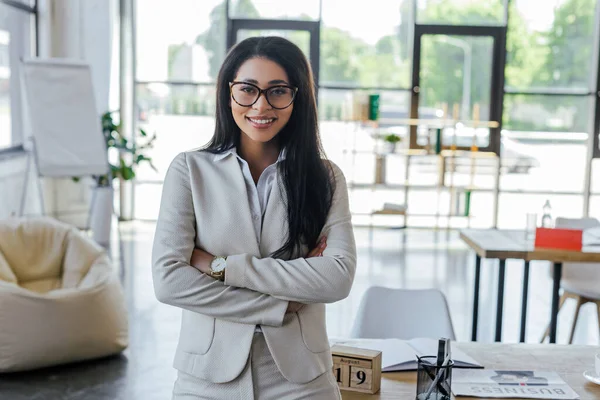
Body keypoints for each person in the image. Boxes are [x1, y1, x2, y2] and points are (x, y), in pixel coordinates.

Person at [152, 36, 357, 400]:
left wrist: (221, 267)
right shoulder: (189, 170)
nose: (261, 105)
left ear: (298, 96)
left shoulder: (326, 178)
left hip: (303, 381)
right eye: (247, 89)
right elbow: (169, 280)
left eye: (278, 91)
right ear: (228, 92)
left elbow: (337, 278)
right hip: (207, 380)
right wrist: (280, 304)